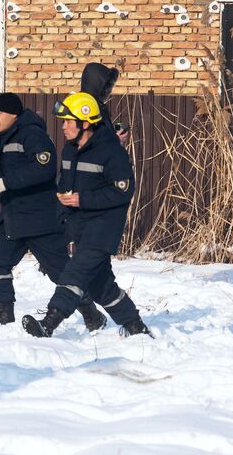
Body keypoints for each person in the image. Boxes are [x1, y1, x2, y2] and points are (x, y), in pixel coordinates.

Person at [22, 92, 150, 338]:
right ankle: (135, 327)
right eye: (63, 121)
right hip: (79, 226)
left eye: (69, 121)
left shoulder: (112, 152)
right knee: (100, 286)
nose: (64, 127)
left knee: (76, 272)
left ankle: (48, 323)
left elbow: (122, 192)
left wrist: (83, 199)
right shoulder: (70, 151)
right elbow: (64, 187)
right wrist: (62, 214)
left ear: (86, 122)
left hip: (103, 228)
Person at [0, 92, 105, 330]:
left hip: (40, 217)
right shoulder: (1, 136)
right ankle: (5, 322)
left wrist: (6, 182)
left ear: (14, 115)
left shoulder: (32, 134)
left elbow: (45, 168)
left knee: (60, 272)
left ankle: (91, 313)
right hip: (13, 215)